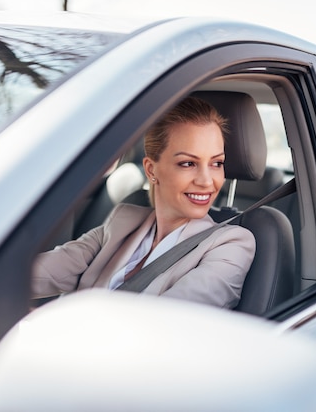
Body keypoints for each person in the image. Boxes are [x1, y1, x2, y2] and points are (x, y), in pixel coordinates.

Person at [31, 97, 256, 309]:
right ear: (151, 169)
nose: (207, 181)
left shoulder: (231, 245)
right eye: (188, 163)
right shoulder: (123, 220)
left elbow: (164, 324)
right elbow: (38, 274)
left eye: (216, 163)